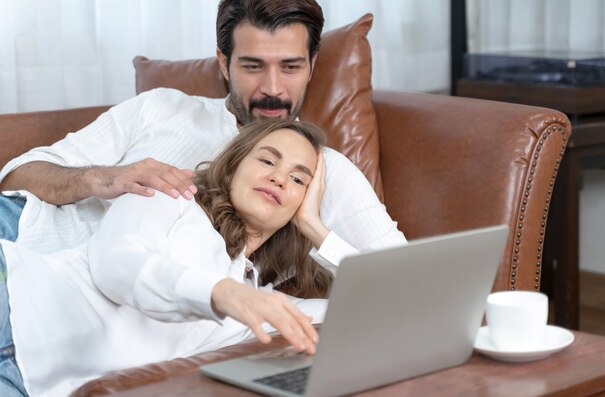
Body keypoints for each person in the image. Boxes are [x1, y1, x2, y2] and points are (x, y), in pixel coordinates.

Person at [0, 119, 358, 397]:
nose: (280, 178)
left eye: (299, 179)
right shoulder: (172, 199)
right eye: (267, 161)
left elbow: (388, 310)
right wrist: (220, 293)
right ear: (233, 166)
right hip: (14, 299)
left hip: (30, 386)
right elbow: (116, 264)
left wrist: (315, 228)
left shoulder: (261, 305)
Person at [0, 0, 406, 262]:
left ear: (312, 66)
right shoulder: (160, 106)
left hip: (69, 313)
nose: (273, 89)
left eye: (290, 66)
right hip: (17, 231)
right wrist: (105, 178)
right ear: (224, 63)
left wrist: (315, 229)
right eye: (252, 66)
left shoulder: (321, 170)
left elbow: (406, 277)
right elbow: (15, 176)